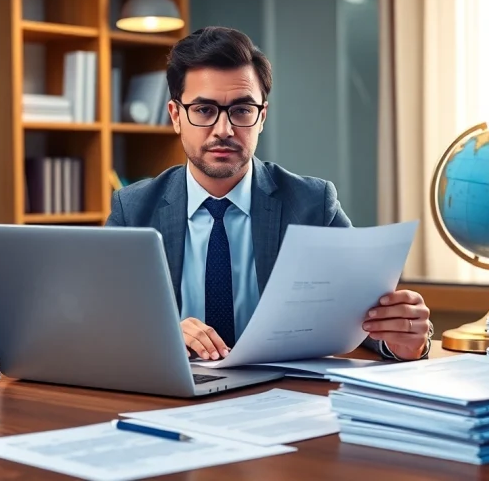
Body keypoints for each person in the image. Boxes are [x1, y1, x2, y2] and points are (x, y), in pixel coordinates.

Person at [105, 26, 433, 362]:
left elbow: (361, 316)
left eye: (241, 110)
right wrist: (163, 334)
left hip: (282, 395)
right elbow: (101, 318)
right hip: (175, 396)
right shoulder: (132, 209)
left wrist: (402, 340)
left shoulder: (313, 204)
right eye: (204, 110)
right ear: (176, 116)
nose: (224, 130)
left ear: (261, 117)